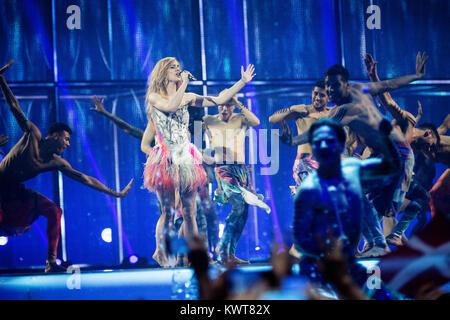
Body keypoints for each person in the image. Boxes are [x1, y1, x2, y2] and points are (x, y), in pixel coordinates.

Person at [282, 52, 429, 258]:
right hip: (383, 157)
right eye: (328, 85)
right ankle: (375, 243)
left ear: (346, 84)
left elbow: (387, 85)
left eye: (335, 85)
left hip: (399, 156)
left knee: (370, 199)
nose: (331, 90)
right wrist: (416, 76)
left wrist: (416, 75)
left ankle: (379, 241)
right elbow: (387, 85)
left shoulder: (349, 104)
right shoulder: (353, 97)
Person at [0, 61, 133, 273]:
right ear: (54, 135)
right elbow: (14, 106)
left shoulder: (56, 162)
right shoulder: (32, 135)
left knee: (54, 211)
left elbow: (84, 178)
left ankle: (51, 262)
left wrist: (113, 193)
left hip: (14, 189)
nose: (68, 144)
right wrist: (2, 80)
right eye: (67, 139)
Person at [140, 57, 255, 267]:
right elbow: (171, 106)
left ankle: (196, 256)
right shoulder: (155, 97)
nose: (178, 69)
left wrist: (242, 82)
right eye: (173, 67)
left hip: (185, 155)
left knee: (189, 210)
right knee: (167, 211)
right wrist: (183, 84)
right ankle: (160, 251)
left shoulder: (189, 96)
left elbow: (219, 100)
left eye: (179, 67)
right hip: (165, 157)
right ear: (163, 72)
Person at [293, 118, 400, 290]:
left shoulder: (353, 168)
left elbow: (391, 167)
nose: (324, 146)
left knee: (382, 294)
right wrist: (326, 253)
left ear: (340, 145)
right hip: (322, 266)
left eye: (329, 140)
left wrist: (386, 140)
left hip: (350, 262)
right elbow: (301, 239)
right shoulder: (308, 189)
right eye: (318, 141)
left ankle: (376, 242)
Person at [364, 53, 440, 246]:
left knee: (422, 197)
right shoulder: (406, 122)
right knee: (379, 208)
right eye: (430, 145)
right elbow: (388, 101)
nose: (429, 151)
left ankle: (395, 234)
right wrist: (374, 77)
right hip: (387, 170)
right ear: (428, 134)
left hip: (399, 175)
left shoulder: (413, 141)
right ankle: (366, 241)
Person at [203, 95, 270, 264]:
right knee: (238, 207)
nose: (224, 109)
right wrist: (217, 180)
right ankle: (221, 247)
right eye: (221, 105)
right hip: (224, 168)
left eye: (228, 105)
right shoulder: (210, 121)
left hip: (241, 169)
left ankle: (229, 255)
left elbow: (256, 122)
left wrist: (239, 103)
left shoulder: (241, 119)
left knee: (244, 211)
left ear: (233, 106)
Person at [269, 80, 330, 194]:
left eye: (322, 95)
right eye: (315, 93)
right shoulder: (303, 111)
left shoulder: (333, 114)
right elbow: (272, 119)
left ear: (329, 98)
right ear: (312, 93)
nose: (317, 97)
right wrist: (291, 109)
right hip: (305, 162)